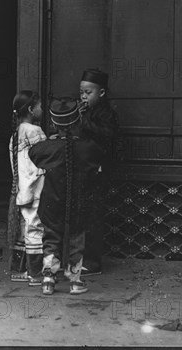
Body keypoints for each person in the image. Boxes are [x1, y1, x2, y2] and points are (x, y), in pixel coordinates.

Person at [28, 97, 104, 295]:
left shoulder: (47, 149)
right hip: (79, 204)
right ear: (77, 121)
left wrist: (51, 141)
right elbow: (98, 154)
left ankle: (48, 279)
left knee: (51, 238)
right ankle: (75, 281)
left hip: (52, 203)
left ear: (53, 124)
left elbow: (34, 153)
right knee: (77, 240)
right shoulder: (88, 148)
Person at [78, 68, 120, 276]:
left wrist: (83, 122)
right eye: (81, 93)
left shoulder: (107, 114)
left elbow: (108, 138)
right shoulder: (85, 111)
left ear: (101, 93)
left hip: (98, 172)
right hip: (84, 170)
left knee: (93, 216)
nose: (84, 97)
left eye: (88, 93)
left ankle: (92, 262)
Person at [7, 91, 46, 285]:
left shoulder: (16, 134)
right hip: (35, 188)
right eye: (39, 105)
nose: (42, 109)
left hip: (22, 189)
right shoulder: (34, 132)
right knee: (35, 228)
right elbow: (45, 159)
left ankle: (21, 269)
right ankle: (35, 273)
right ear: (31, 109)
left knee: (26, 227)